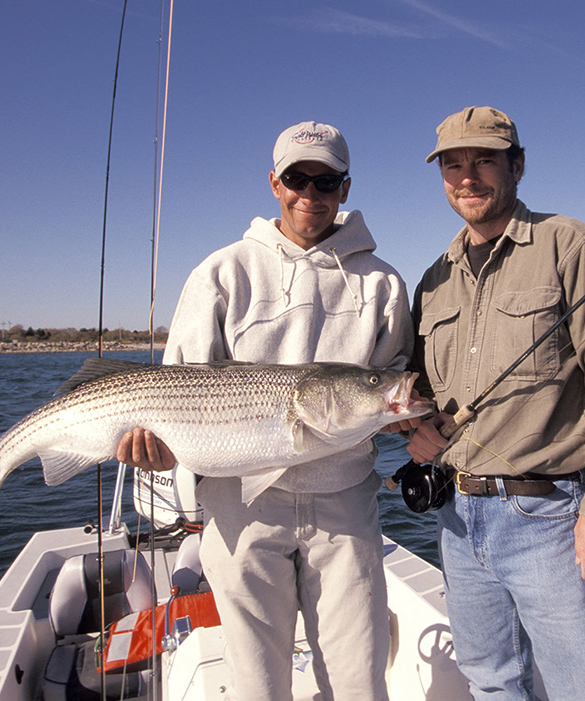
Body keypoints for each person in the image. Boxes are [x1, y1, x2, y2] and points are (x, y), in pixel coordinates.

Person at [117, 121, 419, 700]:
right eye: (297, 179)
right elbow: (173, 387)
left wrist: (401, 412)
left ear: (345, 188)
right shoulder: (222, 271)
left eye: (325, 180)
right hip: (239, 510)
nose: (311, 193)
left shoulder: (382, 284)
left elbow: (394, 379)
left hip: (345, 503)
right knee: (257, 685)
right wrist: (149, 446)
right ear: (274, 184)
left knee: (360, 681)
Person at [406, 106, 585, 700]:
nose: (468, 177)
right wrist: (414, 426)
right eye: (453, 165)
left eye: (484, 160)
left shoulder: (570, 243)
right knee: (490, 682)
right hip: (457, 519)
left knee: (583, 689)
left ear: (516, 166)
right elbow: (422, 392)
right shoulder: (433, 279)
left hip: (549, 518)